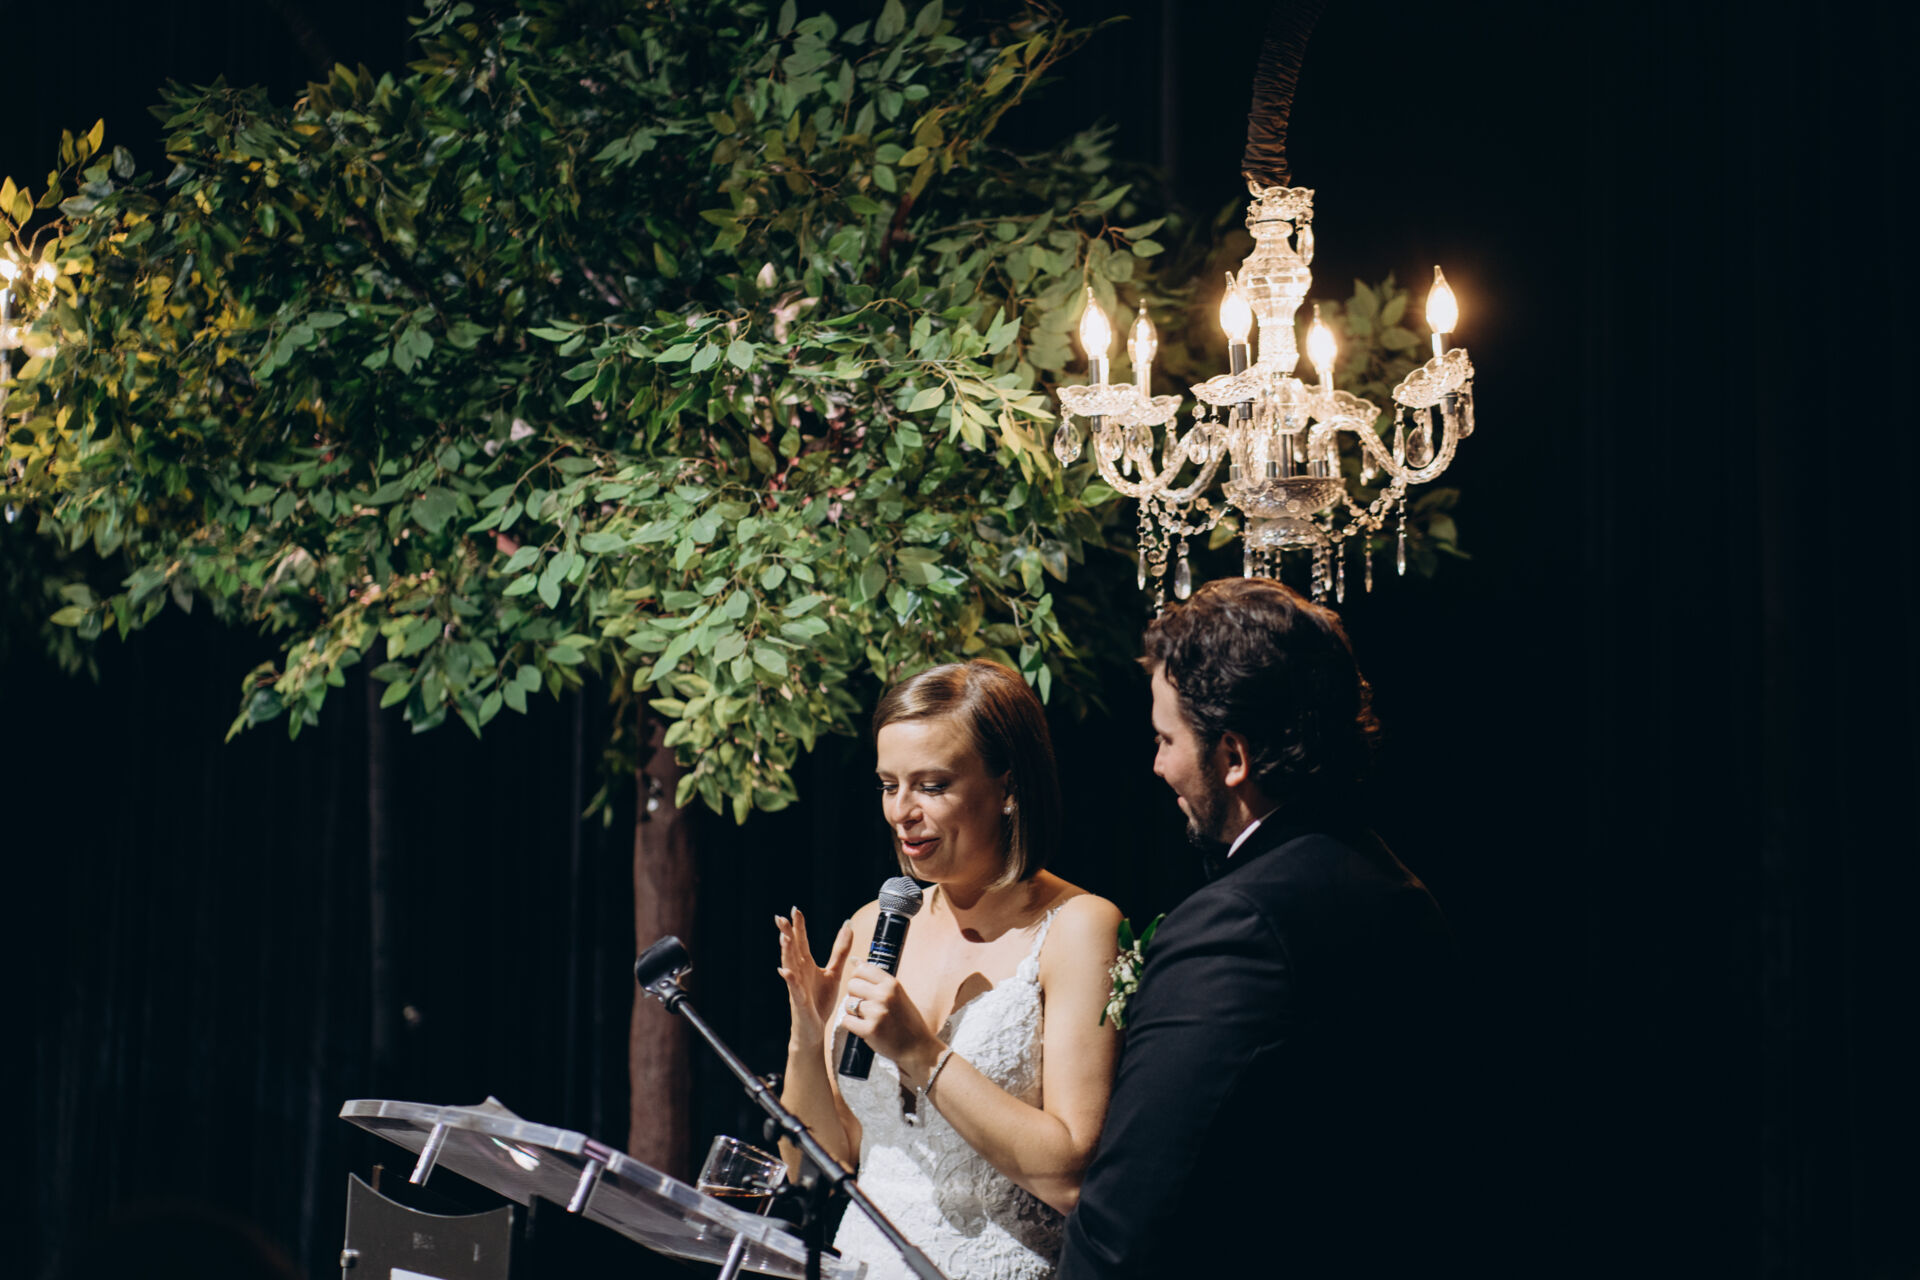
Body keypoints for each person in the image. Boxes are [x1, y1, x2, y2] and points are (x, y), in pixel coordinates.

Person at [1057, 578, 1459, 1280]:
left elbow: (1125, 1226)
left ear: (1234, 757)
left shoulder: (1235, 927)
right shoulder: (1397, 887)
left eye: (1167, 739)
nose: (1157, 765)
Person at [776, 660, 1123, 1280]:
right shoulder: (875, 923)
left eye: (931, 786)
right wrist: (807, 1031)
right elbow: (818, 1165)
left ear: (1008, 787)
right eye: (889, 785)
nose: (901, 811)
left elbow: (1070, 1177)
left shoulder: (1079, 927)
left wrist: (920, 1051)